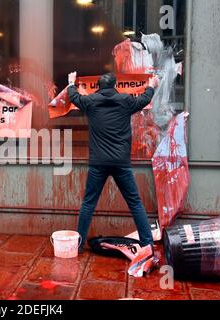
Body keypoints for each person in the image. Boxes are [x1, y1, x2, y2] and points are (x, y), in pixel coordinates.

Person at [67, 72, 159, 254]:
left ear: (98, 87)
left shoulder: (90, 101)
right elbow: (145, 98)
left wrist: (71, 82)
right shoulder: (125, 101)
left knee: (88, 204)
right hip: (121, 163)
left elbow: (74, 96)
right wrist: (152, 84)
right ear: (115, 85)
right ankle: (147, 243)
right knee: (134, 202)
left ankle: (78, 244)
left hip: (98, 162)